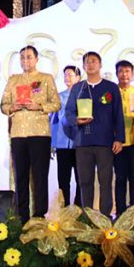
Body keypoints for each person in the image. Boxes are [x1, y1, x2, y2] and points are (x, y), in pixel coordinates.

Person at [0, 46, 60, 221]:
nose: (25, 61)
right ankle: (22, 217)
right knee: (20, 177)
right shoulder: (14, 80)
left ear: (36, 59)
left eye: (29, 57)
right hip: (18, 133)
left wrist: (39, 106)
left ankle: (40, 216)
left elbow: (56, 104)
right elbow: (3, 105)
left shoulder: (46, 78)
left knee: (40, 176)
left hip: (40, 133)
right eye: (22, 58)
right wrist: (13, 107)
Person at [66, 51, 124, 217]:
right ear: (83, 66)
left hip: (105, 142)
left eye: (93, 61)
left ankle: (105, 217)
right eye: (87, 62)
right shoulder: (78, 88)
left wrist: (119, 139)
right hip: (83, 142)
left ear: (100, 64)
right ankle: (88, 217)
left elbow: (118, 114)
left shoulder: (111, 87)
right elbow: (69, 112)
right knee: (85, 181)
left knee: (105, 181)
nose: (90, 64)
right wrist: (77, 120)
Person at [113, 60, 134, 214]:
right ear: (116, 74)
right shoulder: (111, 93)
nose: (124, 74)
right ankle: (120, 212)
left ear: (132, 74)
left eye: (127, 71)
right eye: (121, 71)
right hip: (117, 142)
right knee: (120, 178)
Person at [52, 66, 82, 206]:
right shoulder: (58, 97)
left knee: (81, 179)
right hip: (62, 143)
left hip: (80, 143)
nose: (67, 77)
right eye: (65, 75)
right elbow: (53, 121)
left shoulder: (85, 96)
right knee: (63, 179)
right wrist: (52, 143)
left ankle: (79, 209)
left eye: (70, 75)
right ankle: (64, 209)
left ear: (78, 78)